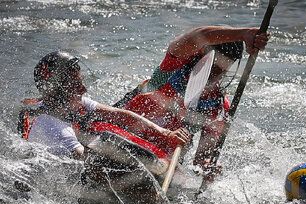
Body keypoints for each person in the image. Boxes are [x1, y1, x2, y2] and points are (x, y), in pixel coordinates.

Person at [114, 25, 269, 182]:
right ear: (201, 53)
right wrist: (244, 34)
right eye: (213, 65)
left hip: (160, 158)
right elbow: (197, 36)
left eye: (222, 69)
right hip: (121, 132)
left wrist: (208, 166)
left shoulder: (217, 106)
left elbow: (201, 159)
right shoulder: (172, 66)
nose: (215, 72)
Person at [20, 51, 190, 165]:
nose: (84, 90)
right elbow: (88, 162)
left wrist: (165, 133)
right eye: (77, 86)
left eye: (81, 83)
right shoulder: (57, 128)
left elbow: (120, 115)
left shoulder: (66, 102)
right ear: (58, 91)